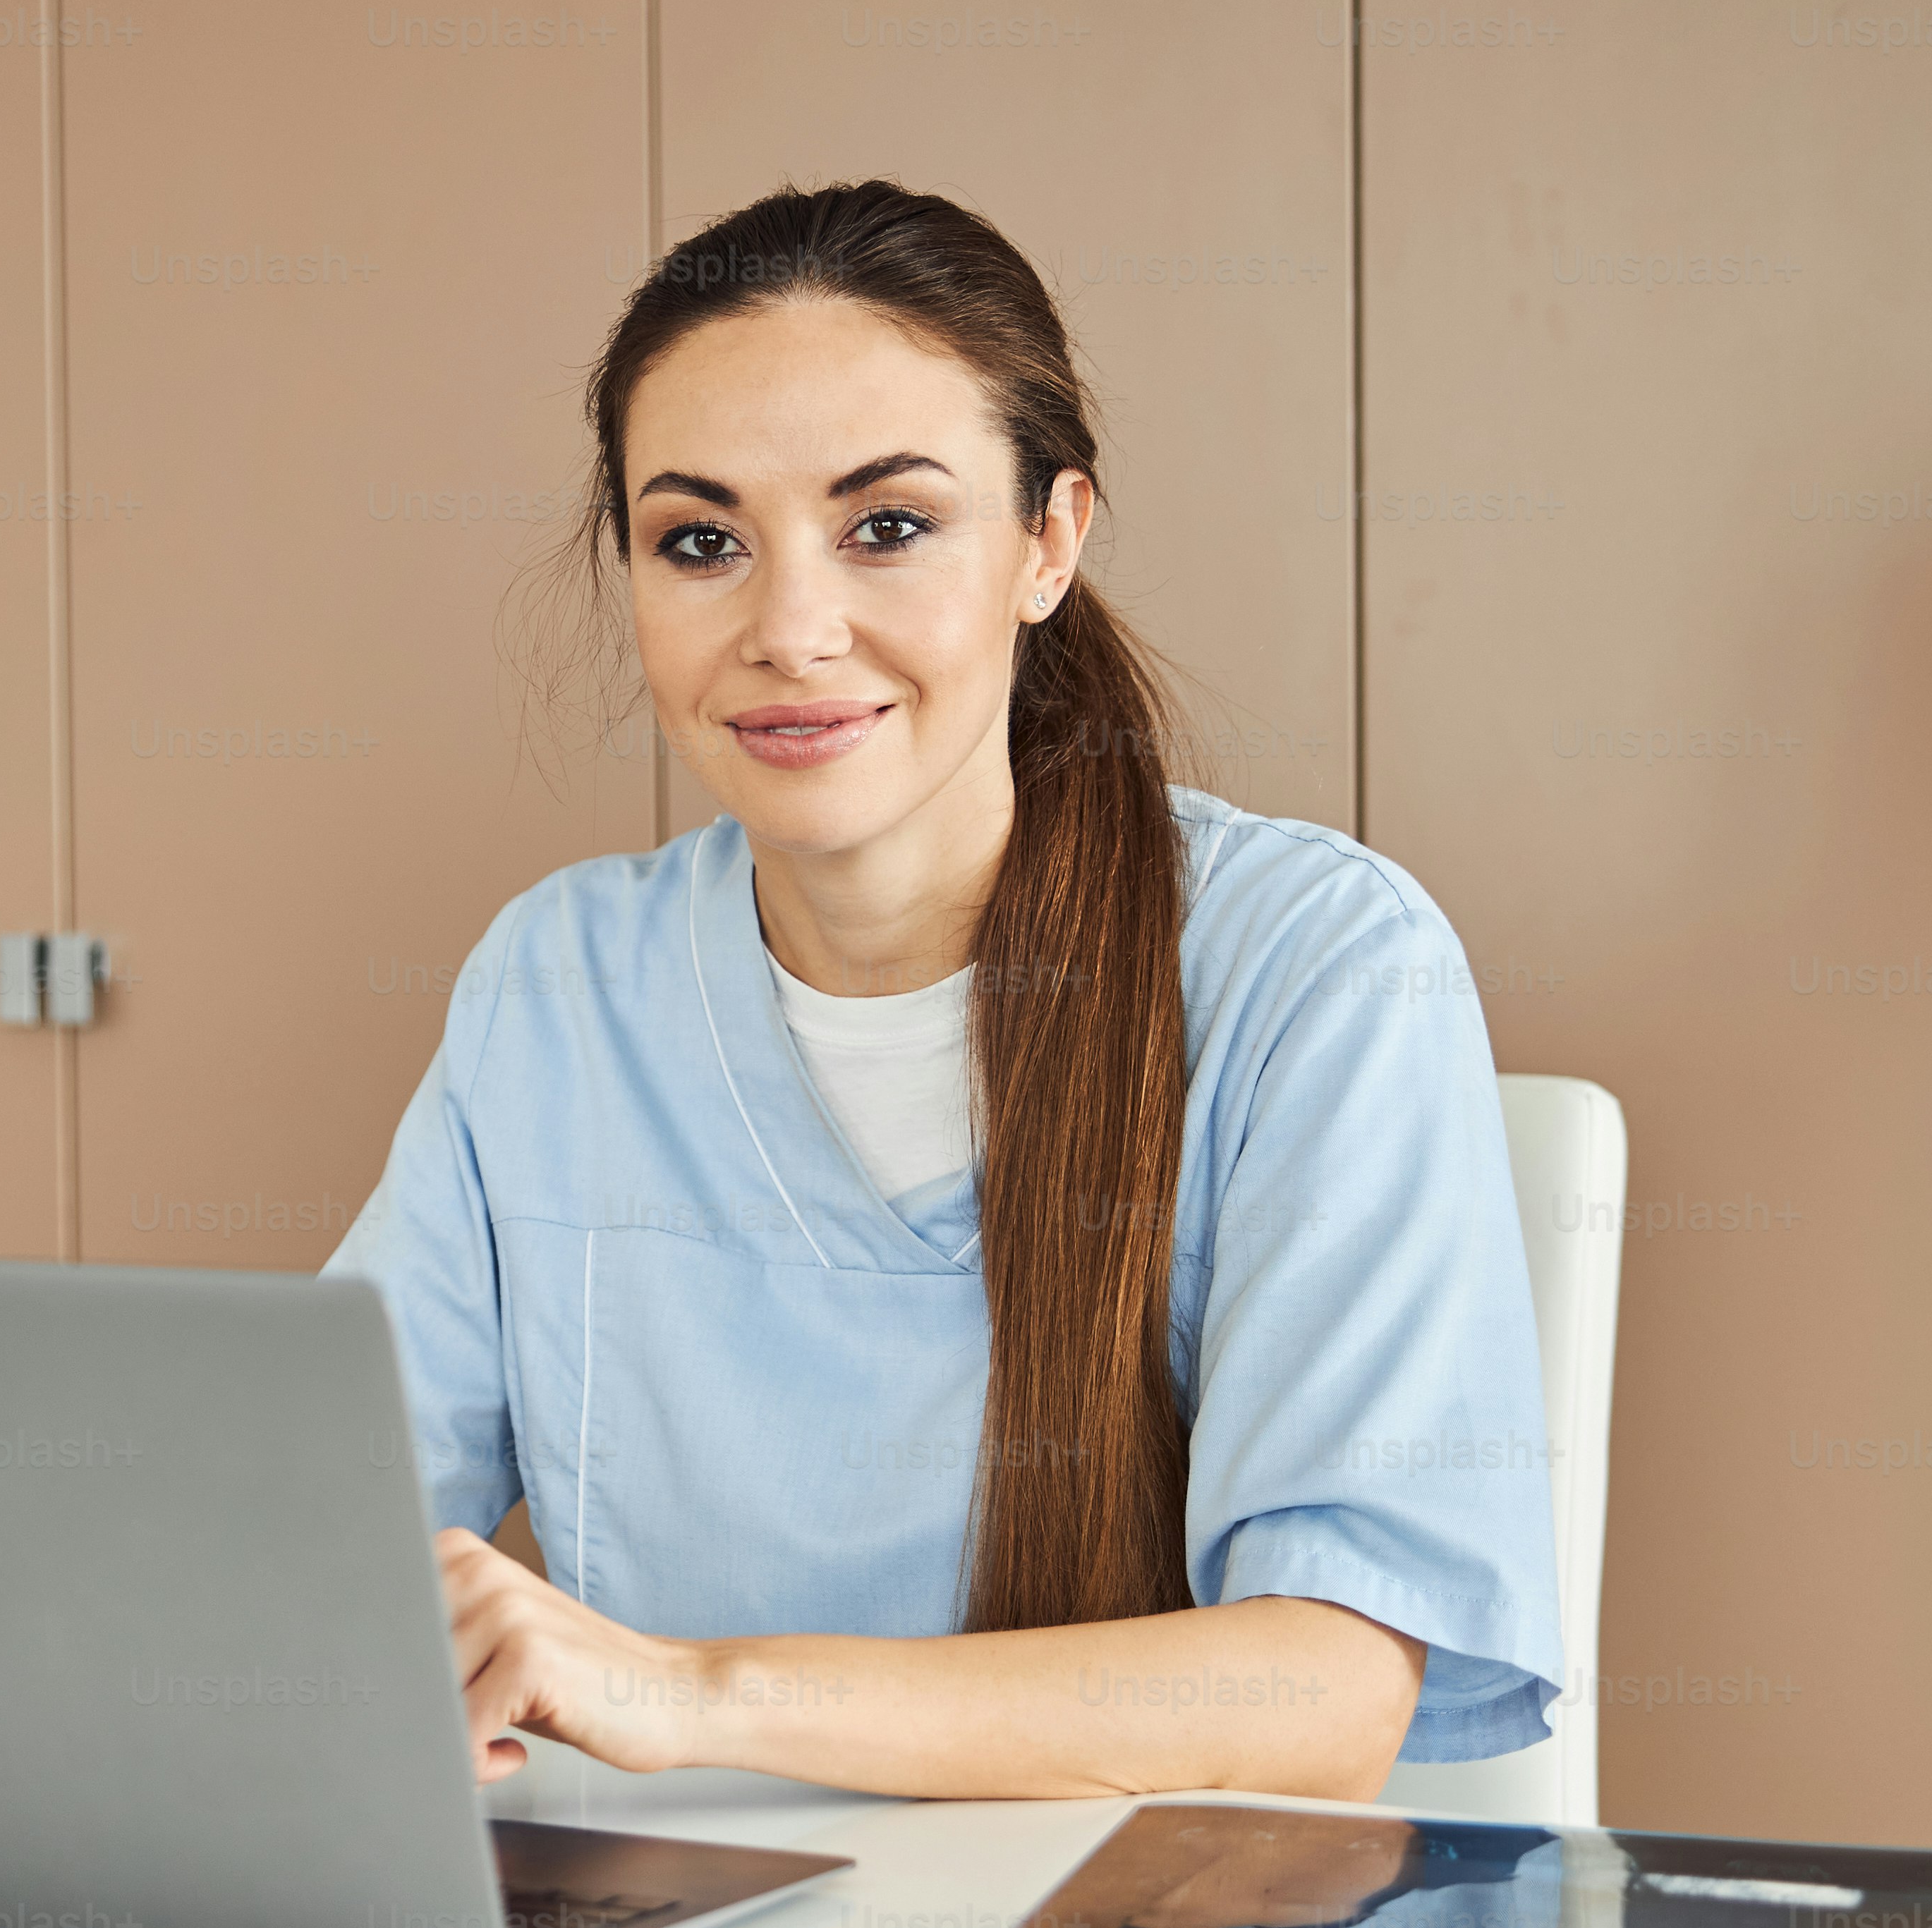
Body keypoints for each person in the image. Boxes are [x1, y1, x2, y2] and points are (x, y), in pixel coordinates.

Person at [322, 181, 1560, 1802]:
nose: (790, 628)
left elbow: (1318, 1679)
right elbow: (311, 1546)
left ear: (1051, 541)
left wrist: (695, 1695)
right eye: (701, 542)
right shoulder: (556, 987)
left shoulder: (1314, 966)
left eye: (886, 526)